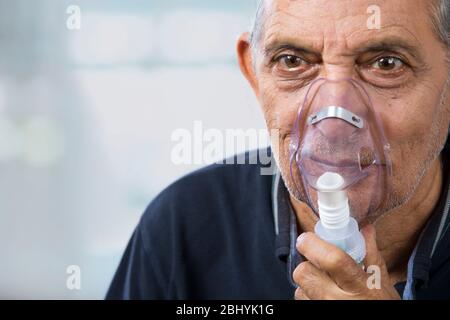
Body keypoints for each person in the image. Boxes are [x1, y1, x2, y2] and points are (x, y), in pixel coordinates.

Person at [106, 0, 450, 300]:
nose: (333, 123)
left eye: (386, 64)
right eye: (292, 62)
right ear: (254, 75)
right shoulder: (186, 227)